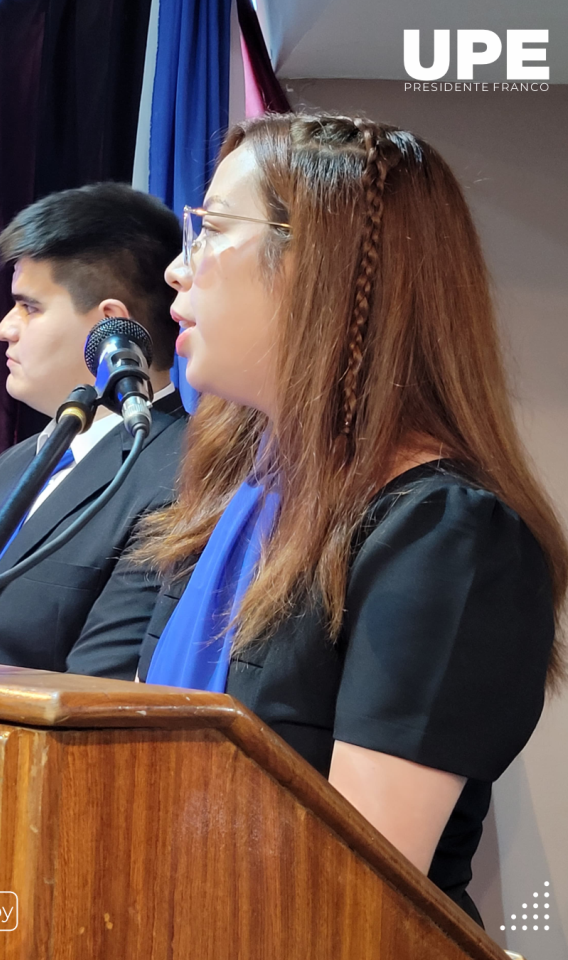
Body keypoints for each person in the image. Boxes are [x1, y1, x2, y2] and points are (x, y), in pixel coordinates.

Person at [134, 113, 568, 923]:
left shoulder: (447, 535)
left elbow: (349, 892)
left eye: (212, 231)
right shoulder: (240, 496)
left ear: (320, 270)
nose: (175, 270)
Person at [0, 183, 187, 680]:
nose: (4, 328)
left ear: (111, 328)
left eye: (29, 307)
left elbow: (99, 691)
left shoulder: (181, 471)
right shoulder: (13, 466)